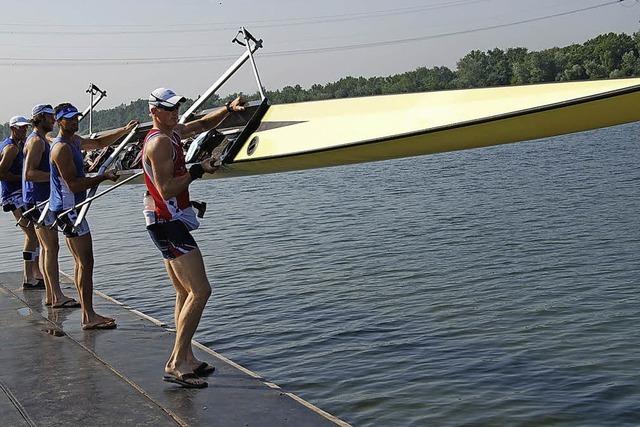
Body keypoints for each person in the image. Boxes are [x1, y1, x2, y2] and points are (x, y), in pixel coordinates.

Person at [143, 88, 245, 388]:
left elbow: (200, 126)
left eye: (177, 108)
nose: (175, 113)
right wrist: (198, 169)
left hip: (166, 220)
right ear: (154, 111)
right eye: (168, 109)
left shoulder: (172, 132)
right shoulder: (160, 142)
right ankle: (175, 362)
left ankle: (186, 357)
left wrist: (228, 108)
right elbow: (166, 190)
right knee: (201, 291)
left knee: (184, 293)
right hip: (166, 222)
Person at [48, 103, 137, 330]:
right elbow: (75, 183)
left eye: (76, 117)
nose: (74, 121)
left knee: (82, 263)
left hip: (71, 209)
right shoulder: (61, 148)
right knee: (86, 263)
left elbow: (97, 143)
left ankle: (88, 314)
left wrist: (123, 131)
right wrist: (103, 176)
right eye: (69, 118)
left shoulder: (74, 141)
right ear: (59, 121)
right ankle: (88, 316)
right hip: (69, 211)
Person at [23, 104, 79, 308]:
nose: (53, 120)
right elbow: (29, 173)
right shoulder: (37, 141)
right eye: (49, 117)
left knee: (48, 248)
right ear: (40, 118)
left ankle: (50, 294)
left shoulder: (40, 139)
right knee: (51, 248)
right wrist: (58, 175)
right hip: (39, 200)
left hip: (38, 199)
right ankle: (56, 295)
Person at [0, 115, 43, 289]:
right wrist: (24, 178)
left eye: (25, 127)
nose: (24, 130)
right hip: (13, 195)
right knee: (32, 235)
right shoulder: (11, 148)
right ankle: (28, 277)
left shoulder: (16, 145)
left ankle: (35, 273)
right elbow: (1, 173)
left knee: (36, 235)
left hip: (19, 194)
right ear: (12, 128)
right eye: (20, 128)